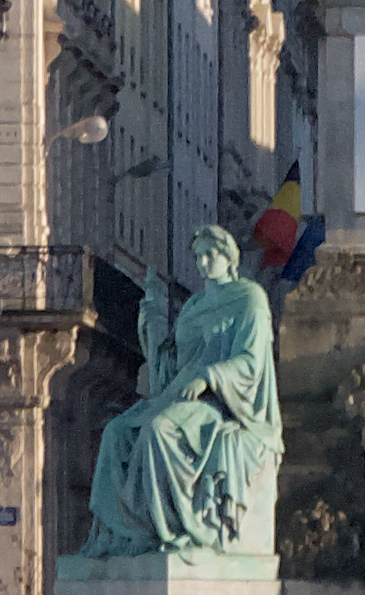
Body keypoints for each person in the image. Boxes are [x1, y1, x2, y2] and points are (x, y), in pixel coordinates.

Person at [80, 226, 282, 560]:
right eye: (199, 256)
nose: (203, 263)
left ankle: (169, 531)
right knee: (115, 433)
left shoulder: (250, 299)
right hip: (180, 396)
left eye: (210, 254)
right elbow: (170, 371)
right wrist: (151, 328)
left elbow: (252, 362)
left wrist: (209, 377)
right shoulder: (193, 307)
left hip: (222, 402)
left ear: (229, 256)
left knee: (161, 430)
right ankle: (122, 534)